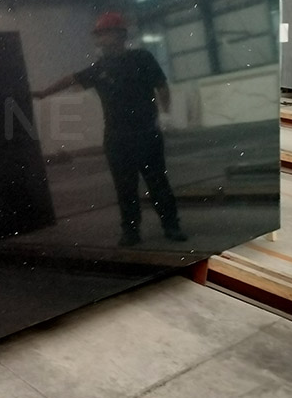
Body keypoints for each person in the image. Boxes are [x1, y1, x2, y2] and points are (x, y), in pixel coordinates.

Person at [33, 12, 187, 246]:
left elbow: (161, 86)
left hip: (146, 134)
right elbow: (71, 79)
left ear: (120, 35)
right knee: (125, 188)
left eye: (104, 33)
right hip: (117, 138)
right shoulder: (99, 69)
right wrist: (44, 93)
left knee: (158, 183)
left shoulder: (141, 58)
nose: (99, 38)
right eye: (98, 34)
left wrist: (165, 115)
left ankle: (171, 226)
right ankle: (131, 232)